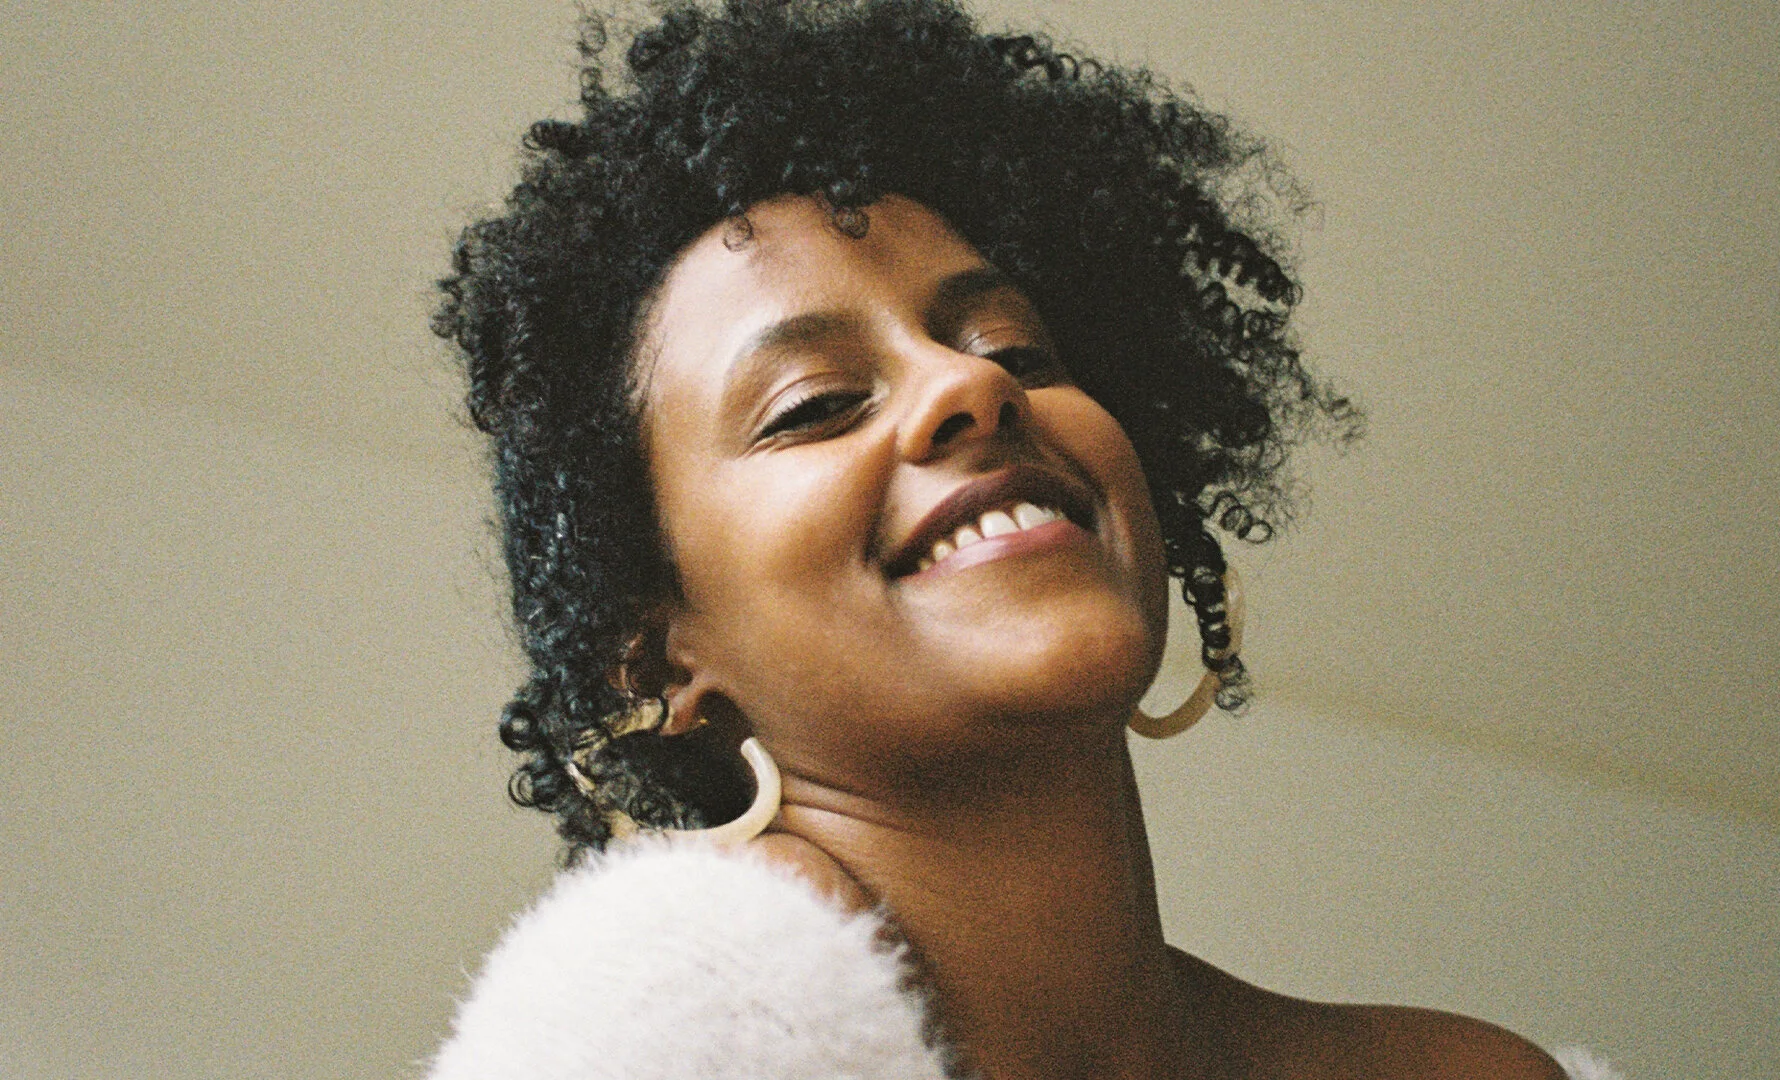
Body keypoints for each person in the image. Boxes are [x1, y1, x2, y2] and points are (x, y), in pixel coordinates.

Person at [426, 2, 1590, 1077]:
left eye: (1018, 350)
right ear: (656, 659)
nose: (970, 384)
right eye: (817, 403)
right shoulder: (655, 1040)